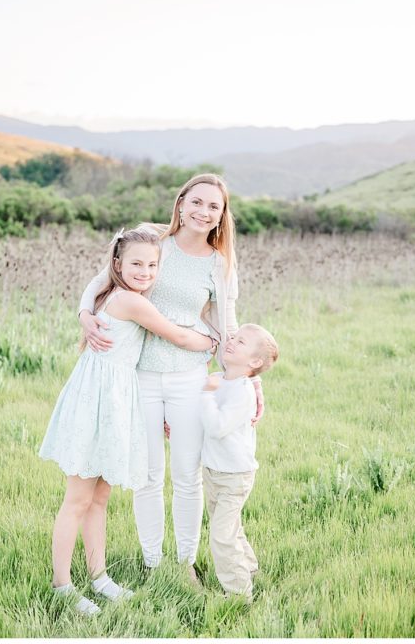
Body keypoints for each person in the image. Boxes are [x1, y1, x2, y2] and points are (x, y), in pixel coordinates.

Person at [77, 173, 264, 581]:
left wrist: (251, 381)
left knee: (186, 475)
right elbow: (100, 281)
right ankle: (151, 562)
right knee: (146, 475)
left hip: (189, 381)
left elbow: (229, 327)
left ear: (221, 216)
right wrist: (85, 315)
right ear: (181, 203)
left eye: (213, 206)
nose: (203, 211)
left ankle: (184, 563)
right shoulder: (152, 241)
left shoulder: (220, 264)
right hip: (140, 376)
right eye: (196, 202)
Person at [40, 229, 216, 615]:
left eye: (153, 265)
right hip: (96, 402)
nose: (146, 271)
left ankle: (99, 577)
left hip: (114, 400)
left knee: (100, 497)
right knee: (78, 499)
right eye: (137, 263)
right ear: (117, 264)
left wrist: (85, 311)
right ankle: (61, 585)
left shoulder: (120, 292)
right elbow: (178, 337)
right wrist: (215, 341)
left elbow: (98, 287)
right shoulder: (128, 301)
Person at [198, 323, 279, 600]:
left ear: (254, 362)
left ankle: (239, 593)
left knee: (221, 535)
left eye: (241, 342)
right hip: (213, 472)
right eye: (233, 337)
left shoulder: (242, 391)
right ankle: (250, 568)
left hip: (234, 476)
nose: (231, 341)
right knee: (229, 527)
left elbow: (218, 426)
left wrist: (207, 394)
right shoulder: (221, 378)